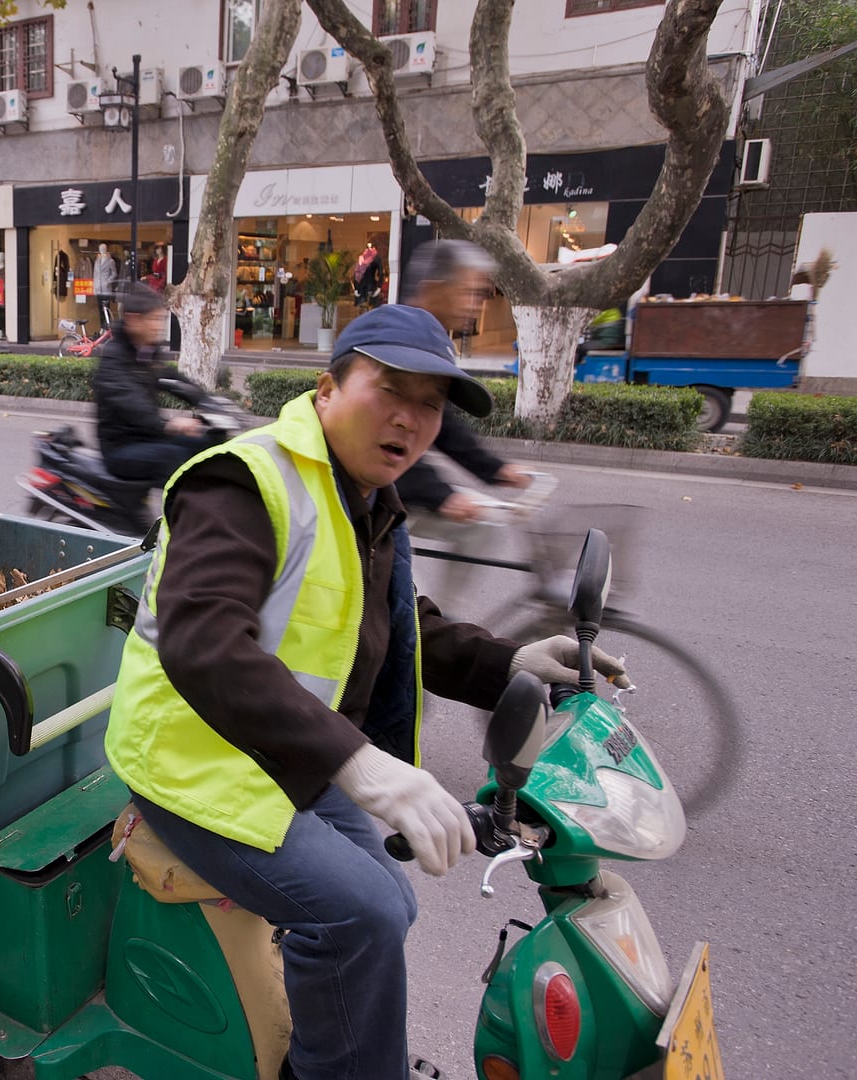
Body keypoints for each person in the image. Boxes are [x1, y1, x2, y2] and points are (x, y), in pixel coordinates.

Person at [103, 303, 631, 1080]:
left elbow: (398, 625)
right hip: (196, 768)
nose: (411, 420)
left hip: (290, 761)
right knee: (364, 912)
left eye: (430, 406)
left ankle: (317, 1048)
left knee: (393, 901)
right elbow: (202, 643)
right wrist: (363, 764)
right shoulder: (243, 482)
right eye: (391, 390)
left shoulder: (367, 498)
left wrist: (514, 661)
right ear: (327, 389)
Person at [395, 240, 531, 523]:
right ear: (433, 289)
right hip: (379, 486)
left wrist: (493, 469)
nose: (475, 306)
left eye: (479, 295)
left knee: (481, 524)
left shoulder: (433, 341)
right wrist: (441, 495)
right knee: (479, 529)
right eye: (467, 293)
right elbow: (385, 433)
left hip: (396, 482)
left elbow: (442, 423)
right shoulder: (404, 342)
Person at [91, 283, 215, 504]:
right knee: (174, 458)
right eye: (154, 319)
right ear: (133, 319)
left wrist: (209, 402)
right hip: (120, 449)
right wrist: (168, 424)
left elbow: (173, 380)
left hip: (147, 437)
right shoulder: (114, 358)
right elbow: (131, 403)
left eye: (162, 320)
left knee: (205, 444)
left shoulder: (147, 351)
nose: (159, 326)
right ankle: (180, 528)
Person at [94, 243, 118, 330]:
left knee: (106, 310)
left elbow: (114, 273)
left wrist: (108, 281)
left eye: (103, 248)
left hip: (106, 289)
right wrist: (95, 287)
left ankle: (107, 329)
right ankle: (102, 328)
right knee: (100, 310)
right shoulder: (97, 260)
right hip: (98, 289)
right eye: (100, 248)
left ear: (106, 249)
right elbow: (95, 274)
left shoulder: (111, 261)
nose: (101, 250)